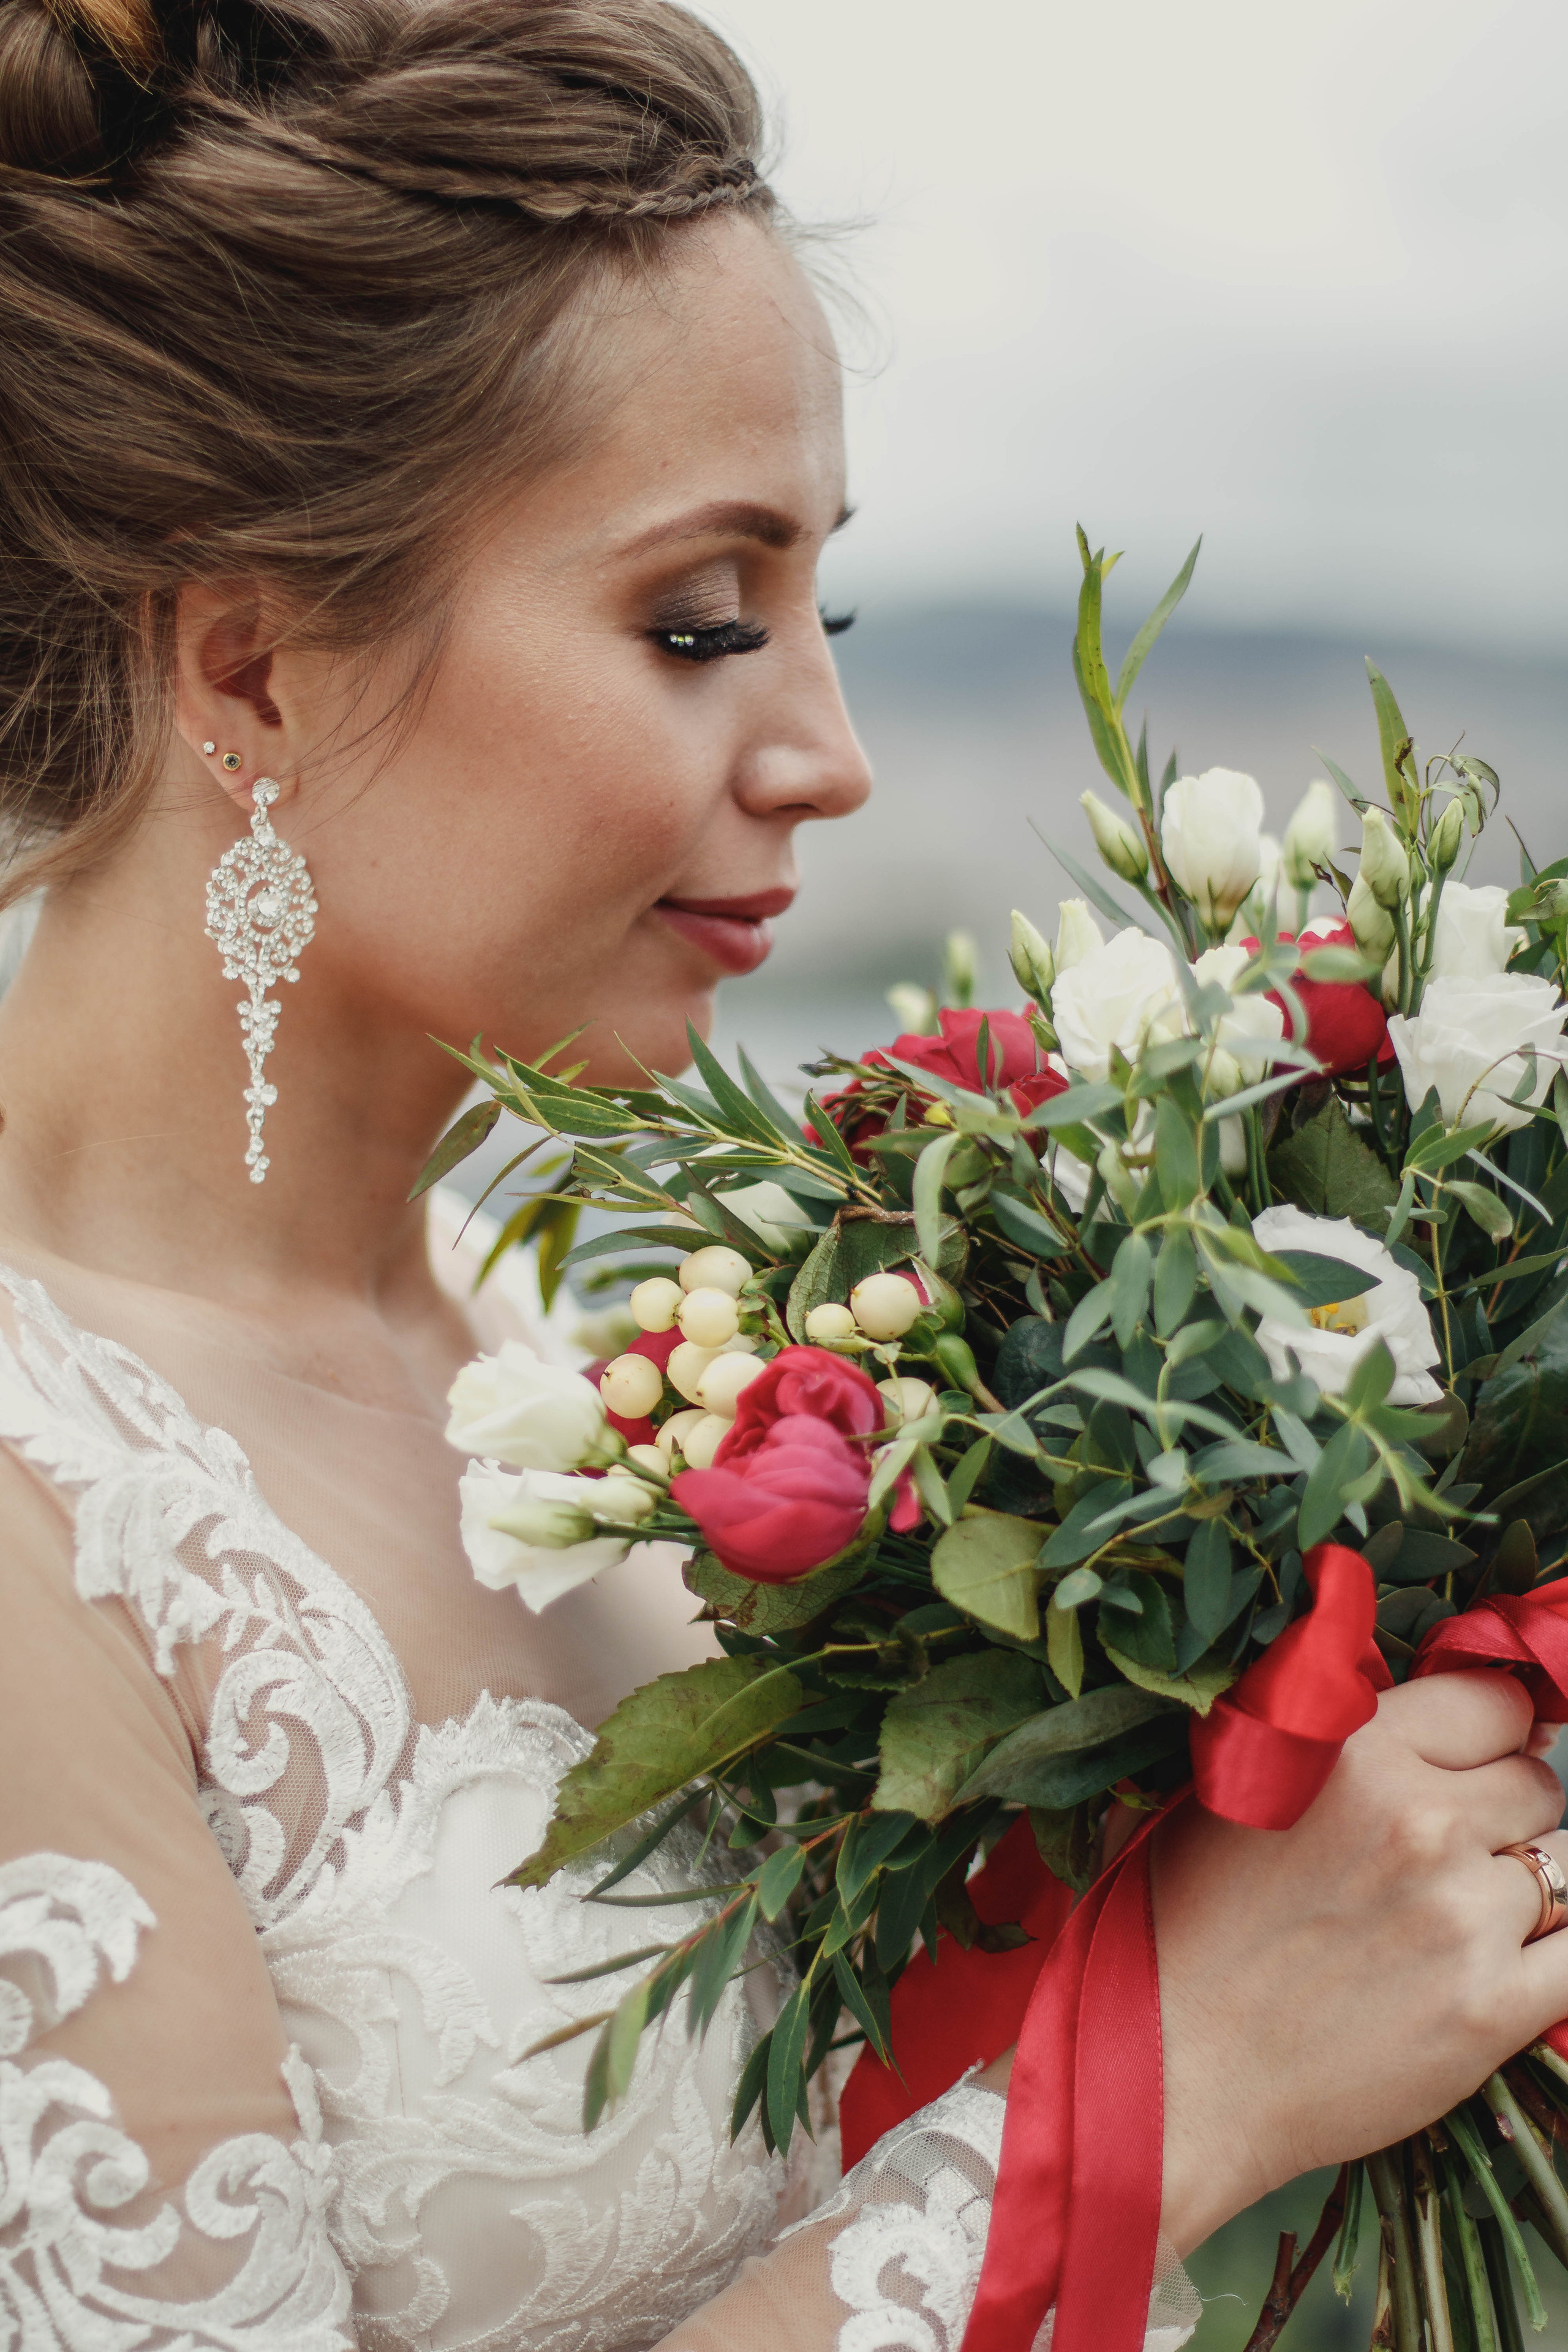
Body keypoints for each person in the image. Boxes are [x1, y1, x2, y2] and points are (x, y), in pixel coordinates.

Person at [1, 2, 1566, 2346]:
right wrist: (1180, 2087)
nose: (829, 755)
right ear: (248, 674)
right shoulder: (40, 1507)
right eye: (700, 623)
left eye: (820, 611)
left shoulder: (581, 1348)